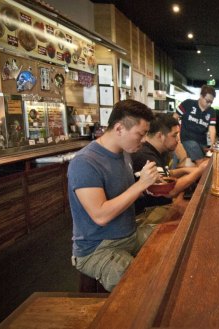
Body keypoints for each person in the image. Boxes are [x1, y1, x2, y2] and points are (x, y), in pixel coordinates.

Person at [68, 100, 159, 292]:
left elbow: (122, 194)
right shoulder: (85, 162)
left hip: (129, 235)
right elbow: (100, 215)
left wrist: (146, 187)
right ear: (119, 129)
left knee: (170, 241)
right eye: (140, 134)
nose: (144, 140)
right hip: (98, 248)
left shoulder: (124, 153)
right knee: (141, 285)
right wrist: (141, 184)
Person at [131, 113, 209, 225]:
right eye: (174, 135)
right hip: (148, 216)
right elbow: (168, 191)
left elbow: (164, 175)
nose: (178, 140)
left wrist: (184, 170)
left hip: (158, 209)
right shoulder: (146, 156)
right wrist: (199, 171)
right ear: (160, 136)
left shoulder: (159, 151)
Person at [174, 85, 217, 165]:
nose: (209, 104)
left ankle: (201, 167)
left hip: (201, 143)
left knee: (200, 154)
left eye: (211, 102)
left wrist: (212, 144)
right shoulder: (188, 104)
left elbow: (212, 128)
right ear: (201, 96)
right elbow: (174, 117)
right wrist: (176, 134)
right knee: (194, 148)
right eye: (207, 101)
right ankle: (202, 166)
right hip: (186, 139)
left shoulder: (212, 111)